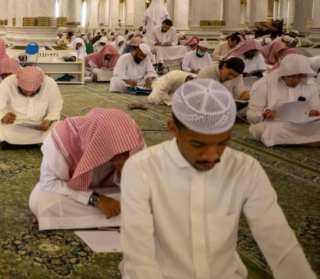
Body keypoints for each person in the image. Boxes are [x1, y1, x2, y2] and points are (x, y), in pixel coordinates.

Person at [120, 79, 314, 279]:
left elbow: (279, 242)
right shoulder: (142, 168)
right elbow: (139, 255)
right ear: (173, 130)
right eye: (198, 144)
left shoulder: (244, 169)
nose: (212, 156)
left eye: (222, 143)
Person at [29, 109, 145, 230]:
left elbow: (142, 186)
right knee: (42, 202)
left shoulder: (134, 140)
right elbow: (49, 183)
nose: (119, 149)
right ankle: (120, 218)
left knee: (154, 199)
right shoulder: (63, 138)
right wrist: (95, 200)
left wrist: (124, 168)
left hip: (113, 192)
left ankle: (62, 220)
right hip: (73, 193)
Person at [246, 54, 320, 147]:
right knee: (270, 129)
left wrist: (313, 113)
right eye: (292, 76)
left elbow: (316, 112)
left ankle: (290, 142)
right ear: (283, 73)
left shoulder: (311, 87)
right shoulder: (264, 85)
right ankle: (309, 141)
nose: (296, 79)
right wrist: (263, 116)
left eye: (300, 76)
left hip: (301, 125)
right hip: (272, 124)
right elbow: (250, 115)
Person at [0, 66, 64, 149]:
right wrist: (3, 118)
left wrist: (48, 120)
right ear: (18, 83)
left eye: (33, 91)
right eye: (24, 90)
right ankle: (42, 142)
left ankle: (13, 143)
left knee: (62, 126)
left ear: (40, 84)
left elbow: (55, 108)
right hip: (14, 126)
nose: (28, 94)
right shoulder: (8, 82)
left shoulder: (49, 83)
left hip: (40, 128)